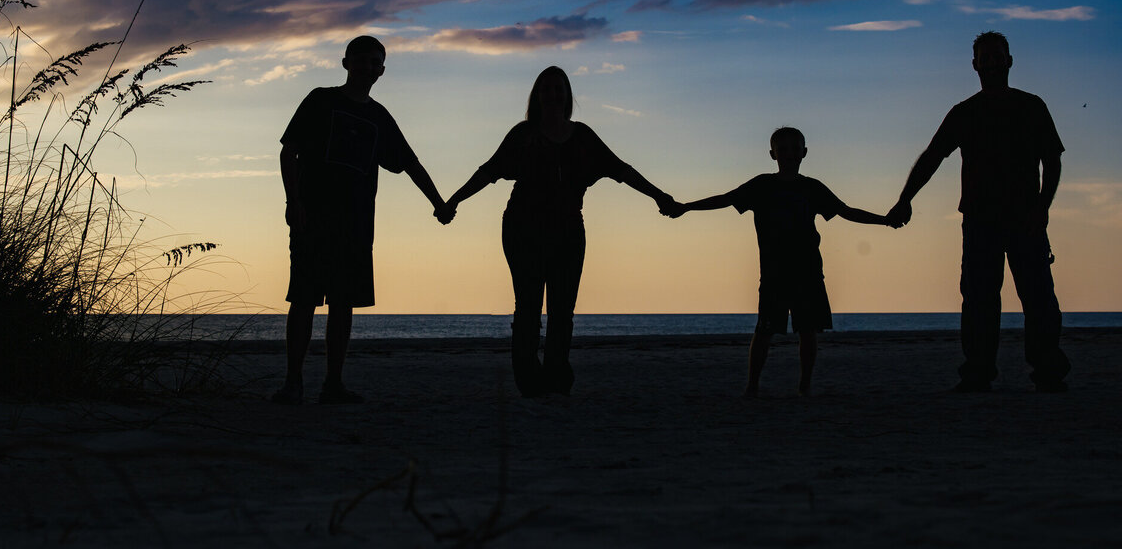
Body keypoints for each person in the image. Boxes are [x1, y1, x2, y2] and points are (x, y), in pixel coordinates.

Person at [443, 66, 674, 397]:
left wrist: (659, 196)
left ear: (567, 96)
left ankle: (556, 377)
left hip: (567, 230)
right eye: (546, 88)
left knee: (563, 311)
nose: (552, 94)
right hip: (523, 228)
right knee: (528, 307)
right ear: (537, 96)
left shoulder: (582, 137)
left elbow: (620, 169)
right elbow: (489, 171)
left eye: (558, 88)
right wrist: (454, 201)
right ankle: (528, 380)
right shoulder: (523, 135)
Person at [887, 31, 1070, 393]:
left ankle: (1048, 371)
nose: (991, 62)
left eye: (996, 56)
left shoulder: (1031, 106)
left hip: (1024, 218)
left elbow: (1052, 159)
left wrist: (1042, 207)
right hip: (980, 220)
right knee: (979, 299)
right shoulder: (964, 113)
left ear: (1009, 61)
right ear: (975, 65)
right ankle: (978, 372)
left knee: (1038, 297)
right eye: (984, 58)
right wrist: (905, 198)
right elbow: (932, 157)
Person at [273, 36, 450, 405]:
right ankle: (293, 382)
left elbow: (410, 163)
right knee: (304, 299)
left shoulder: (379, 117)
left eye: (376, 63)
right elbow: (289, 152)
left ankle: (332, 384)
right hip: (313, 218)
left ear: (382, 71)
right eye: (363, 60)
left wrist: (438, 203)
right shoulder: (321, 99)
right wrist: (294, 201)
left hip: (355, 225)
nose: (370, 68)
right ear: (346, 63)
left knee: (343, 303)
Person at [664, 127, 894, 396]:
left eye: (795, 149)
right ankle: (752, 386)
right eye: (783, 149)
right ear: (772, 154)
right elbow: (725, 199)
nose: (789, 154)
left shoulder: (812, 188)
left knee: (808, 331)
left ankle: (805, 386)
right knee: (764, 330)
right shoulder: (761, 185)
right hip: (774, 273)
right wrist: (687, 206)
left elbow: (846, 211)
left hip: (808, 272)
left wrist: (884, 220)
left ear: (804, 153)